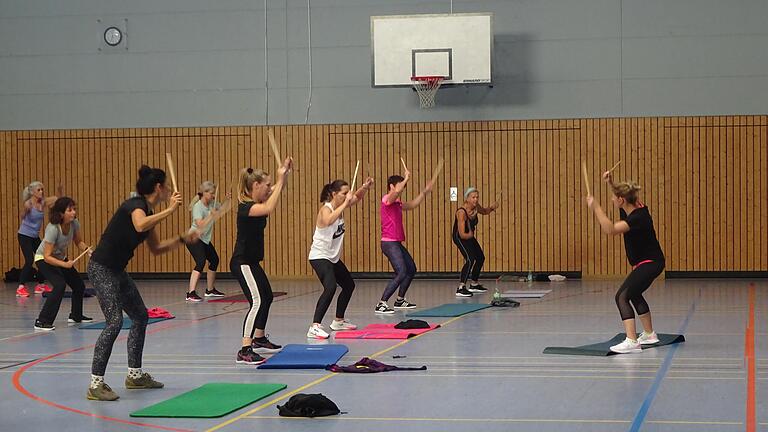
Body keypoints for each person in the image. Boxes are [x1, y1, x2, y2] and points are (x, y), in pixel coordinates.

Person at [86, 165, 199, 401]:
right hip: (101, 269)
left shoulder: (146, 211)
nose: (168, 189)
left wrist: (182, 239)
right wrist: (170, 210)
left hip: (117, 271)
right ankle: (96, 384)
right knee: (114, 322)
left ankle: (135, 376)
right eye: (166, 186)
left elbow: (156, 249)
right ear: (159, 187)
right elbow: (139, 224)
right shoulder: (135, 206)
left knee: (140, 315)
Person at [586, 170, 665, 354]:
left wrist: (596, 207)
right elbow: (622, 195)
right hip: (652, 262)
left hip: (650, 262)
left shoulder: (637, 218)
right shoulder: (635, 206)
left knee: (621, 296)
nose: (613, 200)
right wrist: (611, 183)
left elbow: (611, 229)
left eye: (614, 198)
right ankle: (649, 334)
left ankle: (632, 341)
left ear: (621, 200)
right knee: (635, 294)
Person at [231, 158, 293, 365]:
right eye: (265, 186)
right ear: (255, 185)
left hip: (252, 261)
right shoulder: (246, 207)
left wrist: (282, 177)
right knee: (256, 301)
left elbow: (274, 189)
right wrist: (279, 179)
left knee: (267, 297)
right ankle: (245, 349)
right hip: (242, 262)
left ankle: (259, 337)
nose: (268, 189)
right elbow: (268, 208)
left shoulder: (256, 201)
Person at [307, 177, 374, 339]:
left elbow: (357, 198)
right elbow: (329, 220)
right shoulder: (326, 209)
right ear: (334, 194)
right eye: (344, 193)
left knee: (348, 285)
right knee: (330, 287)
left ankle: (338, 321)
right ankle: (314, 326)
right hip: (320, 256)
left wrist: (364, 187)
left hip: (332, 258)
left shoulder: (341, 205)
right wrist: (345, 203)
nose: (347, 195)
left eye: (347, 193)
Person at [375, 167, 433, 314]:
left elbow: (413, 204)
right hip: (389, 242)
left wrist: (424, 193)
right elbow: (396, 193)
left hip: (396, 242)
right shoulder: (386, 199)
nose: (403, 188)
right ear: (391, 186)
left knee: (411, 269)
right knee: (401, 272)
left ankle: (400, 300)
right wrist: (406, 178)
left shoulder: (397, 203)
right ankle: (381, 303)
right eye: (400, 185)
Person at [33, 197, 93, 330]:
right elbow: (47, 256)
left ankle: (76, 316)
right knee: (59, 285)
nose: (73, 212)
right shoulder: (53, 228)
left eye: (74, 209)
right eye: (69, 210)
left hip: (59, 258)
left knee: (79, 286)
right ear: (61, 214)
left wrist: (87, 250)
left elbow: (78, 242)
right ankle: (42, 321)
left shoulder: (74, 223)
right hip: (43, 259)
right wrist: (65, 264)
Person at [17, 181, 62, 297]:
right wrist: (24, 213)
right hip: (24, 235)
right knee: (29, 260)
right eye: (39, 190)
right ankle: (21, 287)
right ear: (32, 192)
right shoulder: (28, 204)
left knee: (42, 258)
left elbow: (57, 200)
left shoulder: (43, 202)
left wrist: (59, 191)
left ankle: (40, 285)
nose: (41, 192)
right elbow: (22, 215)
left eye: (42, 189)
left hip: (34, 236)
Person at [452, 187, 499, 297]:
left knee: (480, 257)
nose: (476, 199)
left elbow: (485, 211)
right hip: (460, 237)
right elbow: (463, 233)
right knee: (470, 259)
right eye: (473, 197)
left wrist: (492, 207)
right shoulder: (461, 212)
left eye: (477, 197)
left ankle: (474, 284)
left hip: (469, 236)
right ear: (467, 199)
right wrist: (470, 235)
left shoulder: (476, 207)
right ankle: (461, 287)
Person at [185, 181, 226, 302]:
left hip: (204, 239)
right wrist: (211, 215)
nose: (213, 196)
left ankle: (210, 290)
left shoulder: (212, 203)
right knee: (201, 262)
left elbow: (222, 208)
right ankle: (190, 293)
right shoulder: (198, 206)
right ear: (204, 193)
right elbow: (200, 224)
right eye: (211, 193)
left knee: (214, 260)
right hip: (194, 238)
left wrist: (226, 200)